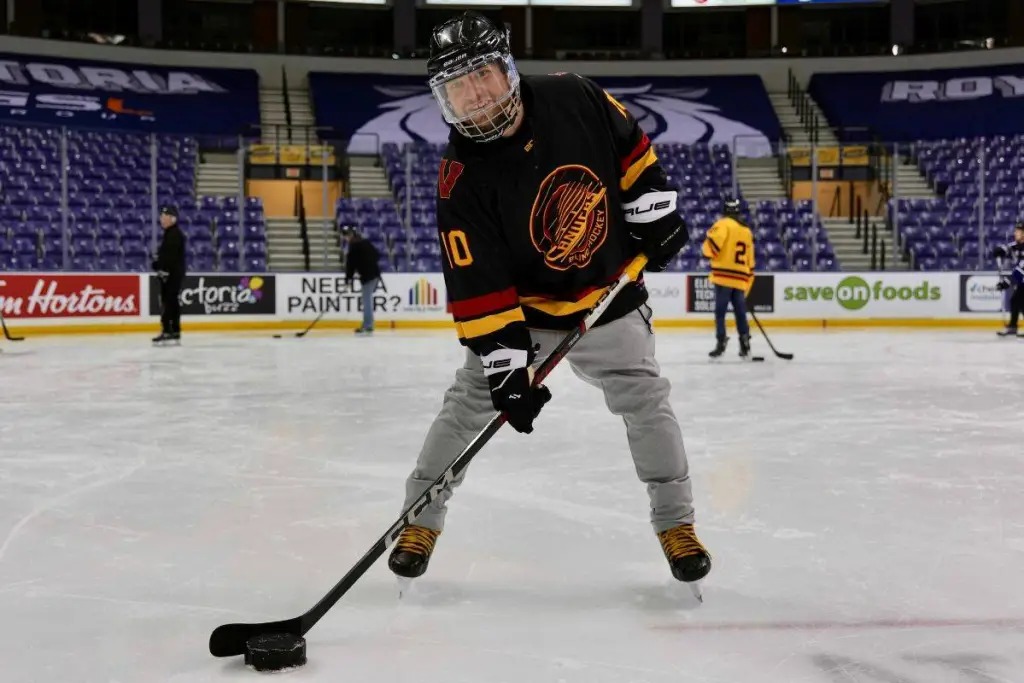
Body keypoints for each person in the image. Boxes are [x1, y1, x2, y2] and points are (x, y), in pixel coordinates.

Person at [387, 11, 710, 589]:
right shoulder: (460, 180)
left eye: (482, 76)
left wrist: (655, 211)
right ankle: (420, 521)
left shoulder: (575, 97)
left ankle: (675, 524)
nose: (478, 98)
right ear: (445, 100)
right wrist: (507, 373)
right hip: (528, 316)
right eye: (459, 88)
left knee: (647, 402)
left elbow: (632, 154)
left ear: (505, 69)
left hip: (607, 298)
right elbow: (479, 286)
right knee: (466, 407)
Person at [702, 198, 755, 359]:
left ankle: (721, 342)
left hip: (723, 277)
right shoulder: (746, 230)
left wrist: (708, 252)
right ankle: (745, 344)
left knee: (720, 312)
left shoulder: (723, 224)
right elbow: (750, 259)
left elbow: (710, 248)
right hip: (740, 277)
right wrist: (748, 277)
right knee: (740, 313)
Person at [152, 205, 186, 345]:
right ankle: (174, 330)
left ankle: (168, 330)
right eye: (161, 217)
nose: (162, 219)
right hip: (172, 273)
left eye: (164, 217)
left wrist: (161, 267)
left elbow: (170, 256)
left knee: (168, 302)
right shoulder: (171, 233)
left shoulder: (174, 234)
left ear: (172, 219)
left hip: (171, 274)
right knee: (171, 302)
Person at [343, 229, 382, 335]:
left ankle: (368, 325)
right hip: (375, 275)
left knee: (366, 301)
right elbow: (377, 255)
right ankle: (368, 324)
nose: (346, 238)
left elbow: (350, 265)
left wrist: (348, 280)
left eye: (346, 236)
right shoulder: (366, 242)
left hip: (368, 276)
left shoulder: (353, 247)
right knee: (367, 300)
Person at [993, 222, 1024, 337]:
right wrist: (998, 251)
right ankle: (1012, 327)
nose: (1016, 233)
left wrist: (1006, 283)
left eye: (1019, 231)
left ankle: (1012, 326)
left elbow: (1021, 271)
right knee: (1016, 301)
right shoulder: (1015, 245)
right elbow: (1004, 248)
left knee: (1019, 300)